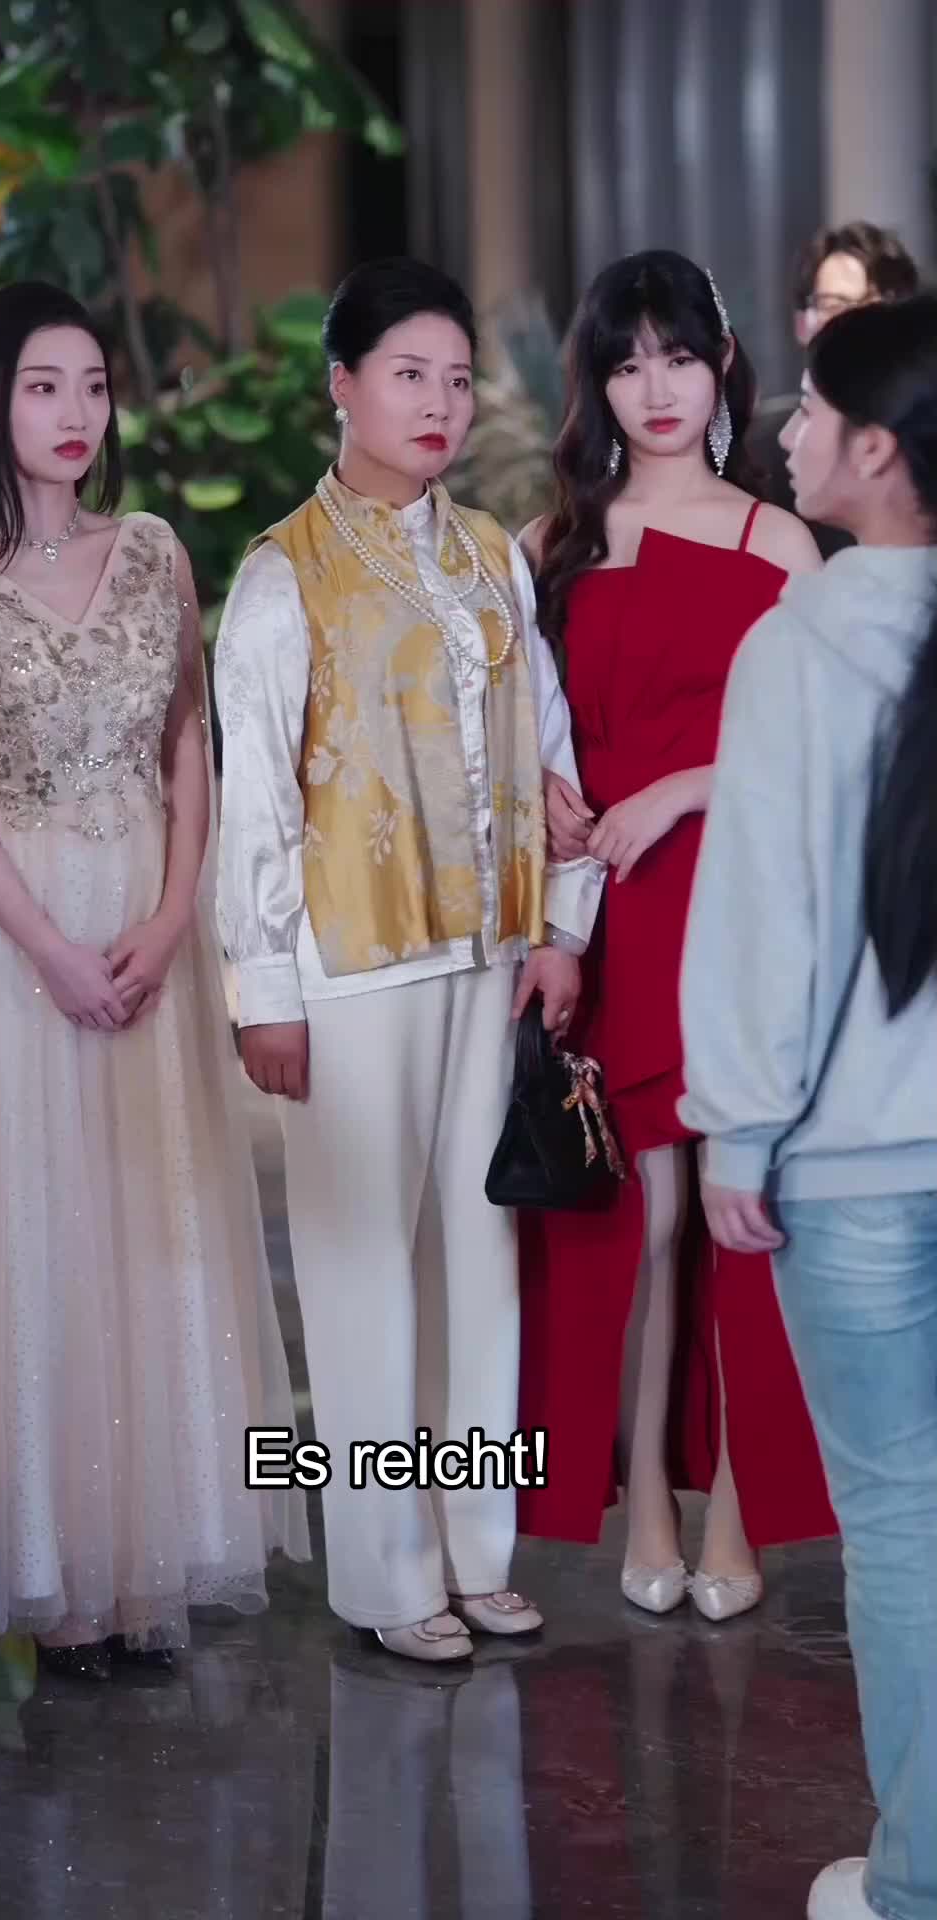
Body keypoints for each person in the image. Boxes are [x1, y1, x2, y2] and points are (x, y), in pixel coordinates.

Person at [0, 281, 309, 1678]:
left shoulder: (154, 552)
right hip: (9, 945)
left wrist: (174, 916)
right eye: (44, 385)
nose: (76, 414)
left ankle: (143, 1563)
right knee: (33, 1237)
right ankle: (50, 1579)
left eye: (95, 387)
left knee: (150, 1229)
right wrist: (49, 950)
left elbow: (188, 743)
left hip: (141, 929)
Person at [213, 257, 604, 1665]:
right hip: (351, 966)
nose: (438, 402)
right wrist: (263, 991)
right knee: (364, 1271)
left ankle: (477, 1551)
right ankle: (387, 1577)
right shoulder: (283, 574)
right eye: (407, 375)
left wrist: (563, 922)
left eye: (455, 378)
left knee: (476, 1260)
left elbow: (550, 748)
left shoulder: (492, 553)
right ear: (343, 386)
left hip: (486, 954)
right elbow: (255, 799)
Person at [517, 249, 835, 1621]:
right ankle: (644, 1497)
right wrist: (540, 792)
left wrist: (686, 787)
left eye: (679, 358)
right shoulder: (552, 545)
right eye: (627, 362)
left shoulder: (778, 542)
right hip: (612, 913)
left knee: (739, 1216)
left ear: (722, 368)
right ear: (597, 381)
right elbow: (519, 734)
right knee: (643, 1222)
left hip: (740, 897)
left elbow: (821, 749)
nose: (655, 388)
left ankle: (740, 1518)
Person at [681, 293, 937, 1920]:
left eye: (818, 410)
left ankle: (918, 1881)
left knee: (902, 1528)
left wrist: (738, 1126)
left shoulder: (798, 646)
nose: (788, 431)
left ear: (881, 450)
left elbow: (765, 918)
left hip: (849, 1164)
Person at [748, 221, 920, 559]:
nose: (856, 324)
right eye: (835, 304)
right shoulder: (758, 450)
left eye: (875, 307)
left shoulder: (923, 440)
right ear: (802, 324)